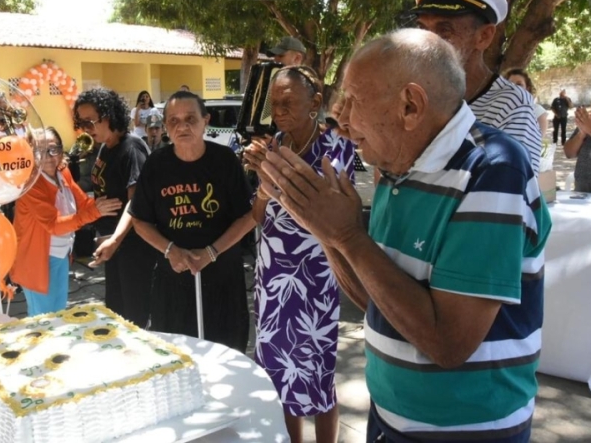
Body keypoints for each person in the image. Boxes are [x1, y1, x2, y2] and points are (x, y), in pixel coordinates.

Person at [257, 29, 551, 442]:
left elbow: (448, 343)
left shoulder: (494, 169)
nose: (341, 117)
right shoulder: (398, 167)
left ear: (410, 106)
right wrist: (323, 228)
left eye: (354, 100)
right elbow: (376, 301)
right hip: (390, 419)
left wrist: (347, 236)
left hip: (468, 432)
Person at [243, 66, 356, 443]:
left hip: (315, 279)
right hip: (273, 280)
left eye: (288, 101)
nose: (279, 110)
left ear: (316, 103)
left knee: (319, 377)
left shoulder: (338, 150)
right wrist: (263, 187)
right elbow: (258, 216)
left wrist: (283, 185)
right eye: (275, 103)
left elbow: (338, 217)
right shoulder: (273, 146)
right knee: (278, 378)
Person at [122, 91, 254, 352]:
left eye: (190, 119)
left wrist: (211, 252)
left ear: (206, 120)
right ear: (165, 125)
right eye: (173, 120)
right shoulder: (156, 165)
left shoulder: (225, 161)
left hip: (223, 277)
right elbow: (140, 221)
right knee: (178, 357)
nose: (182, 126)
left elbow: (248, 216)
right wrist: (171, 251)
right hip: (173, 279)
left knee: (227, 353)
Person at [412, 0, 542, 174]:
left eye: (444, 30)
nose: (428, 41)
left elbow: (513, 192)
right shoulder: (414, 94)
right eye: (423, 28)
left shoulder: (510, 105)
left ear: (484, 37)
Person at [12, 127, 121, 316]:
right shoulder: (30, 183)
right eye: (39, 150)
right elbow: (53, 225)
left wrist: (108, 205)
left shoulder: (63, 172)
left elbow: (83, 203)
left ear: (61, 150)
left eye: (53, 149)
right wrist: (95, 211)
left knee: (58, 314)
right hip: (37, 260)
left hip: (61, 254)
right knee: (42, 321)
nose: (47, 156)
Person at [74, 88, 157, 327]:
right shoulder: (104, 146)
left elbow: (136, 202)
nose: (86, 127)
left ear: (109, 115)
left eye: (90, 121)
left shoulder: (131, 148)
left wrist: (115, 240)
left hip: (132, 246)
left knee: (135, 316)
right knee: (117, 313)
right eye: (81, 122)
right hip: (113, 244)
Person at [505, 68, 549, 137]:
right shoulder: (500, 110)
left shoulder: (537, 111)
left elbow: (538, 139)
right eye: (510, 84)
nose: (515, 88)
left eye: (519, 84)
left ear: (527, 88)